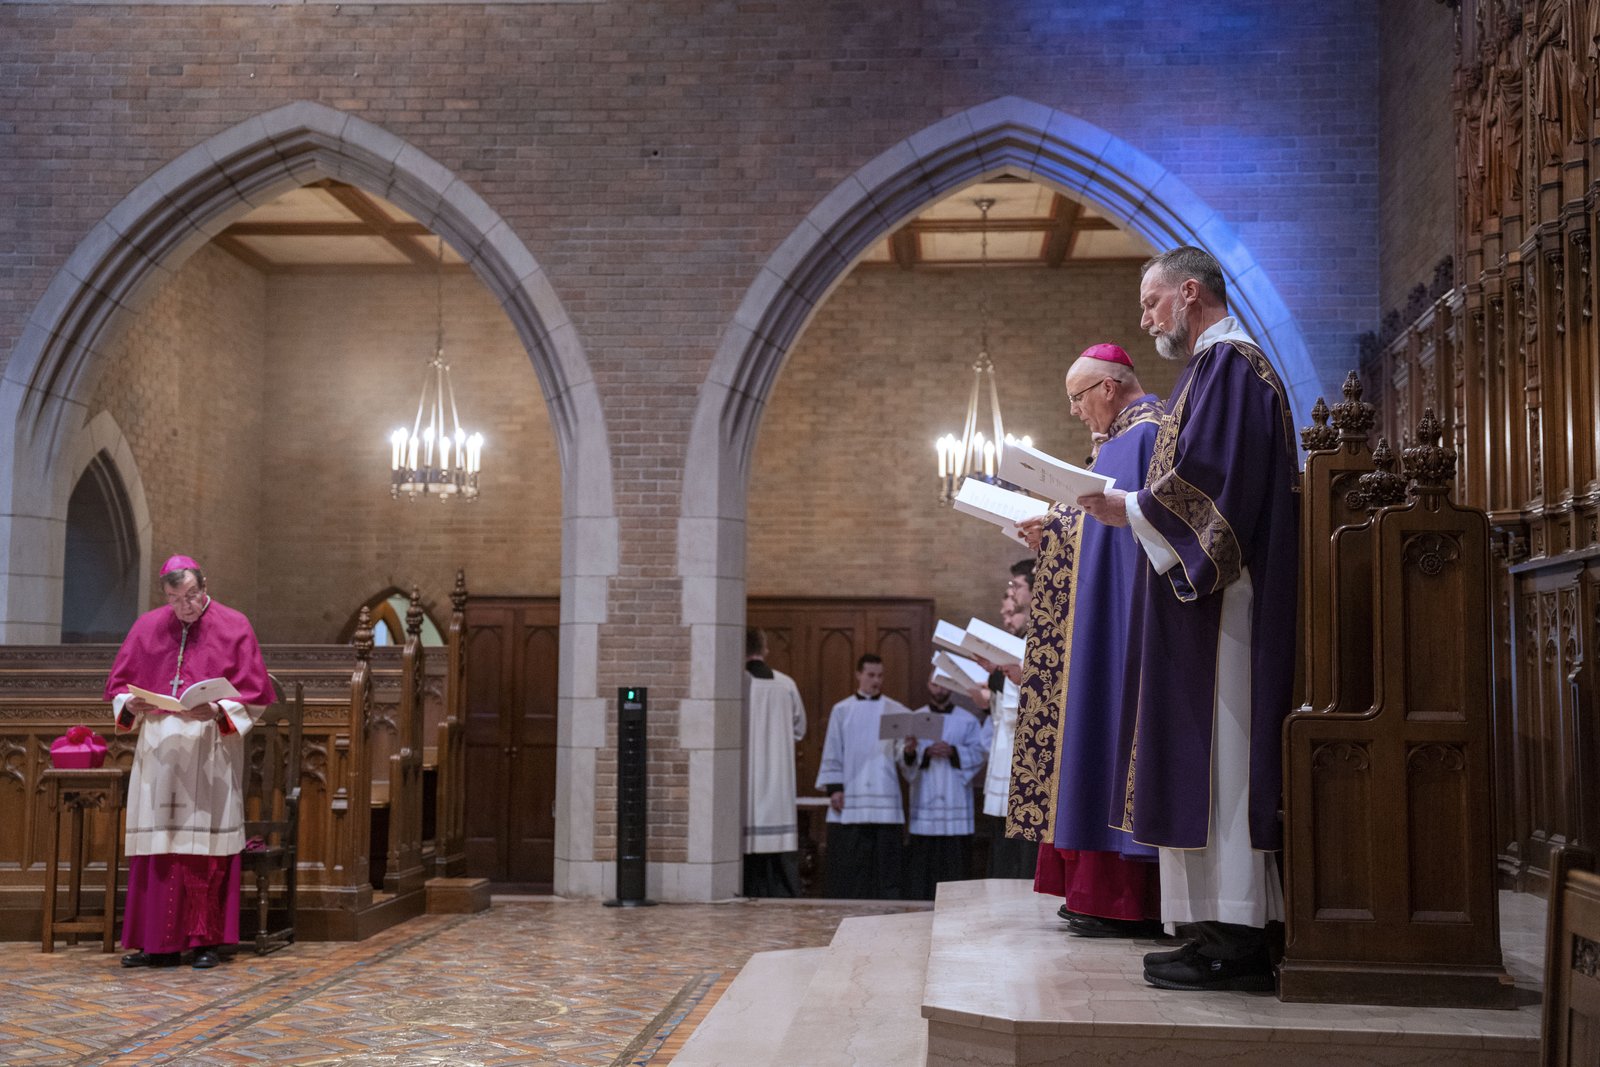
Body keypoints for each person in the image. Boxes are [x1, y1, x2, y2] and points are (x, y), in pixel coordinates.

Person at [1077, 246, 1300, 992]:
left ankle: (1235, 938)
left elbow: (1218, 486)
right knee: (1206, 767)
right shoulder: (1210, 372)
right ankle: (1211, 929)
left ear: (1190, 293)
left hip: (1227, 614)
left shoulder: (1233, 368)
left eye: (1151, 303)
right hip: (1200, 605)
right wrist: (1131, 508)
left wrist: (1127, 506)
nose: (1146, 320)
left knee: (1225, 765)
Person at [1011, 343, 1164, 938]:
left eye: (1077, 398)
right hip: (1093, 623)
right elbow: (1100, 526)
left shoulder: (1148, 435)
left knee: (1112, 742)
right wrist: (1053, 529)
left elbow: (1139, 528)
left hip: (1120, 626)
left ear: (1107, 386)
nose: (1075, 411)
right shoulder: (1114, 445)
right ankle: (1090, 890)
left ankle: (1125, 899)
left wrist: (1063, 525)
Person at [105, 555, 274, 970]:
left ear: (204, 585)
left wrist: (218, 710)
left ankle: (205, 942)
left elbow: (255, 693)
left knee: (205, 850)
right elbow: (117, 686)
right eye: (175, 598)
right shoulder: (147, 626)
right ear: (165, 594)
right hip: (159, 746)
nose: (185, 606)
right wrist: (134, 701)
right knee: (157, 846)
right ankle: (155, 944)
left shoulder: (235, 625)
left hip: (209, 747)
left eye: (192, 596)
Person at [815, 653, 911, 899]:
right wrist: (835, 788)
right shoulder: (842, 710)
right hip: (852, 795)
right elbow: (833, 749)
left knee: (885, 865)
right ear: (858, 675)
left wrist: (910, 750)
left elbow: (903, 758)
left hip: (884, 795)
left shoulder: (896, 710)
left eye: (880, 675)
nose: (876, 681)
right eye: (870, 675)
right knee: (853, 864)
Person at [975, 562, 1037, 880]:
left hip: (1025, 750)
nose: (1006, 618)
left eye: (1016, 587)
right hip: (1007, 746)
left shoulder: (1035, 640)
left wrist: (1004, 676)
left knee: (1020, 837)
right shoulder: (1022, 642)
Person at [901, 677, 986, 900]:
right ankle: (921, 903)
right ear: (928, 685)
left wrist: (954, 751)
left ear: (952, 686)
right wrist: (920, 753)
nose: (940, 689)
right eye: (935, 683)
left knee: (954, 863)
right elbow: (904, 759)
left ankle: (957, 905)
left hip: (955, 797)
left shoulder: (967, 720)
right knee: (923, 865)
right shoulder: (914, 718)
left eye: (945, 683)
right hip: (924, 798)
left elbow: (979, 753)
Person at [742, 627, 807, 897]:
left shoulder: (735, 683)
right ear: (765, 649)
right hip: (778, 777)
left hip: (746, 781)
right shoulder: (786, 684)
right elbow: (800, 729)